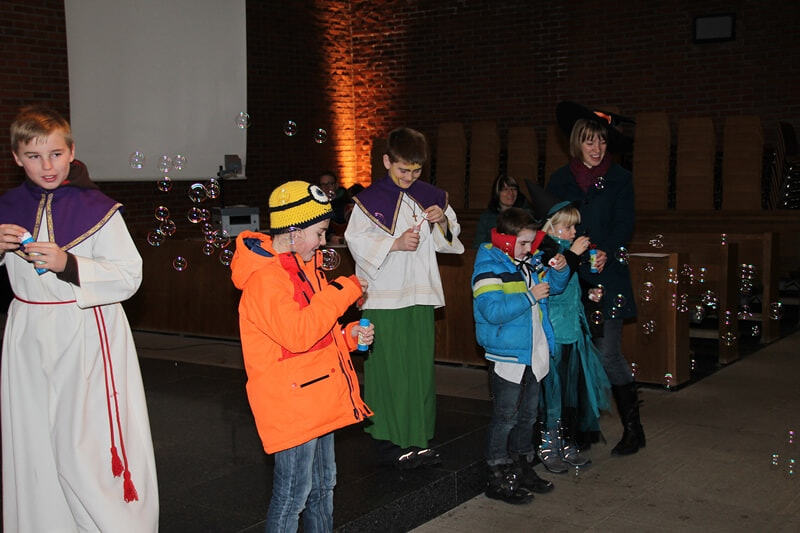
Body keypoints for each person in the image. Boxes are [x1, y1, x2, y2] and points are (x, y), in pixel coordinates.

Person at [0, 105, 159, 531]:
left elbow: (129, 275)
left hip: (84, 328)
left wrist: (68, 264)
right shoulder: (6, 208)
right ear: (16, 158)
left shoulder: (98, 209)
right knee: (33, 438)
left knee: (83, 444)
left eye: (55, 154)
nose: (47, 165)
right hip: (27, 332)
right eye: (34, 156)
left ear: (71, 152)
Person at [230, 180, 374, 531]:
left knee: (323, 488)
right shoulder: (266, 280)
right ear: (294, 233)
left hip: (316, 394)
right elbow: (298, 335)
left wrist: (348, 336)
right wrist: (343, 290)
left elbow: (316, 334)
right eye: (319, 233)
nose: (324, 241)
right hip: (293, 404)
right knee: (293, 496)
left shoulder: (305, 268)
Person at [345, 127, 464, 468]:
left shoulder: (431, 196)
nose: (409, 177)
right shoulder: (369, 201)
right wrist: (394, 244)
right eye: (402, 170)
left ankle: (418, 437)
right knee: (389, 371)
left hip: (420, 296)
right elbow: (355, 240)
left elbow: (451, 240)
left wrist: (441, 222)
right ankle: (388, 439)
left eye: (416, 170)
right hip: (384, 299)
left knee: (419, 371)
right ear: (387, 161)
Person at [545, 101, 645, 456]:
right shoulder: (560, 180)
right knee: (575, 355)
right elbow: (551, 226)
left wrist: (606, 251)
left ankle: (634, 428)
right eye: (589, 141)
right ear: (577, 142)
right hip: (571, 279)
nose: (597, 148)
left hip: (608, 276)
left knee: (607, 354)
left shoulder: (620, 179)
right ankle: (582, 428)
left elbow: (624, 225)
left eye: (602, 141)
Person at [472, 207, 568, 503]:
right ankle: (497, 473)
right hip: (508, 356)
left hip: (533, 351)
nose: (530, 248)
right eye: (524, 242)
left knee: (528, 416)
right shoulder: (489, 265)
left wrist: (560, 269)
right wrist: (529, 296)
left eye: (531, 241)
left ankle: (522, 466)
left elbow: (555, 288)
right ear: (506, 240)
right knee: (506, 418)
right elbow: (491, 311)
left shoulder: (530, 262)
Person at [527, 182, 612, 472]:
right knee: (551, 391)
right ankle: (547, 444)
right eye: (568, 227)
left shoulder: (568, 252)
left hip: (573, 332)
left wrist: (589, 293)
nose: (574, 232)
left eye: (575, 226)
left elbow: (573, 287)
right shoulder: (543, 251)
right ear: (551, 228)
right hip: (553, 333)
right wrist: (574, 255)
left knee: (569, 392)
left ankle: (566, 441)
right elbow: (554, 286)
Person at [473, 174, 528, 248]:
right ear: (497, 192)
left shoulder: (524, 215)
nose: (511, 193)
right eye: (505, 189)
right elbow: (478, 245)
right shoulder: (486, 217)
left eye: (514, 189)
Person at [318, 171, 349, 244]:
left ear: (336, 185)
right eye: (323, 184)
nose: (326, 187)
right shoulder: (316, 206)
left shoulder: (346, 204)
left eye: (330, 184)